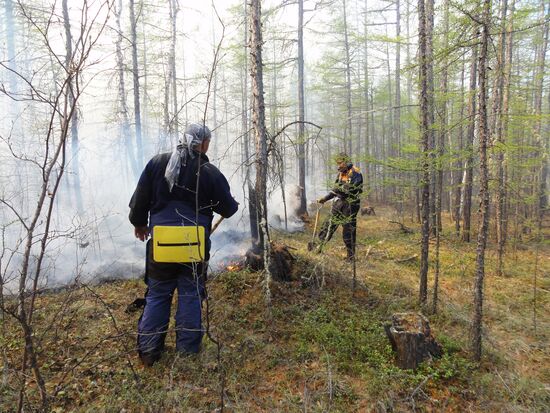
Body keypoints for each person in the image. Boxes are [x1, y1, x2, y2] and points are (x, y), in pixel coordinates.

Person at [129, 123, 239, 366]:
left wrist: (139, 223)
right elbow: (228, 209)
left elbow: (140, 198)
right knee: (190, 293)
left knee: (157, 294)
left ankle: (148, 352)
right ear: (204, 143)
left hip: (161, 245)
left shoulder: (157, 163)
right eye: (208, 142)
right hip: (193, 246)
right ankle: (187, 352)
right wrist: (232, 204)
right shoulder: (209, 171)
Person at [316, 153, 363, 261]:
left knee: (348, 229)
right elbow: (335, 189)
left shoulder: (355, 172)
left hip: (351, 203)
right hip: (340, 201)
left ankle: (351, 257)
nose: (338, 166)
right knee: (328, 223)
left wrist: (338, 189)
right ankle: (319, 246)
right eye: (337, 164)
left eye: (340, 163)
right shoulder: (341, 174)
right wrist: (325, 198)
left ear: (346, 162)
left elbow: (349, 189)